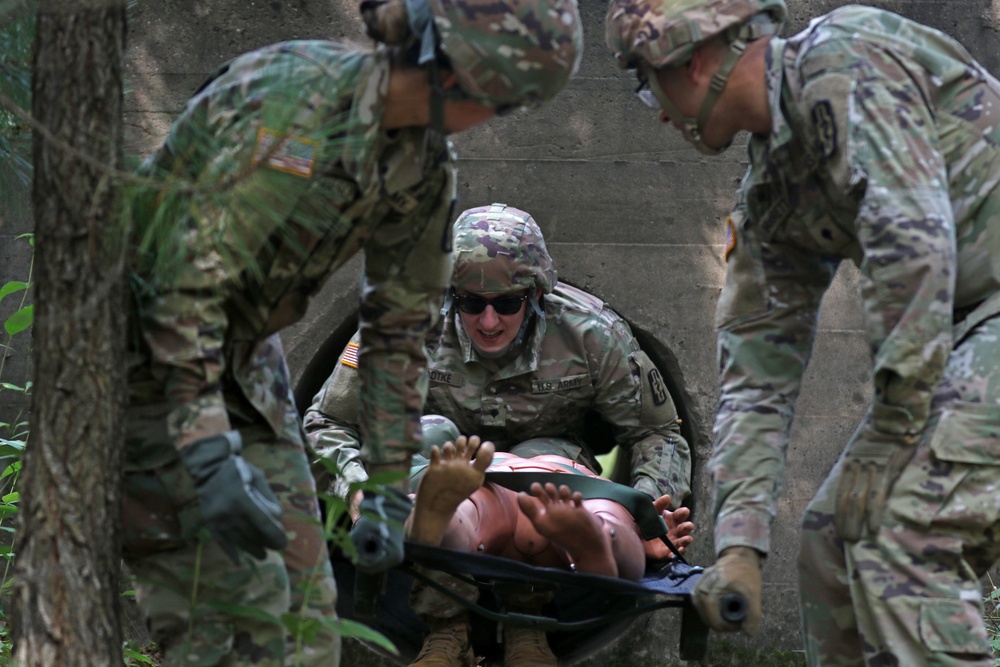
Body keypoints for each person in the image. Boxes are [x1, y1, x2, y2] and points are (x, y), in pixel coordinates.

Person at [121, 1, 583, 665]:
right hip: (142, 347)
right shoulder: (288, 97)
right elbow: (177, 279)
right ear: (454, 62)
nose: (498, 114)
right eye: (505, 91)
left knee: (308, 625)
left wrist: (390, 486)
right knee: (213, 618)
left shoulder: (423, 171)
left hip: (246, 357)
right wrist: (206, 451)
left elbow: (398, 333)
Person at [606, 0, 1000, 664]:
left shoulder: (845, 57)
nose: (660, 112)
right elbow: (756, 374)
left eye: (648, 85)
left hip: (980, 319)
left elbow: (913, 239)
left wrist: (895, 425)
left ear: (693, 57)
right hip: (962, 334)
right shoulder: (771, 193)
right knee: (829, 538)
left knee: (897, 529)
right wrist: (738, 544)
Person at [304, 202, 693, 664]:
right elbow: (328, 422)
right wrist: (355, 491)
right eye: (471, 303)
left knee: (549, 476)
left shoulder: (590, 334)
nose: (489, 322)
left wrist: (647, 505)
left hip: (547, 457)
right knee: (432, 445)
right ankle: (445, 626)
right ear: (450, 295)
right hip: (437, 456)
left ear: (536, 294)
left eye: (507, 303)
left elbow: (659, 432)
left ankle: (528, 622)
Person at [402, 434, 695, 667]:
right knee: (613, 520)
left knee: (470, 515)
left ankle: (441, 518)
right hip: (573, 487)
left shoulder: (479, 461)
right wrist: (648, 529)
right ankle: (601, 541)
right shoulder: (569, 459)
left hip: (492, 481)